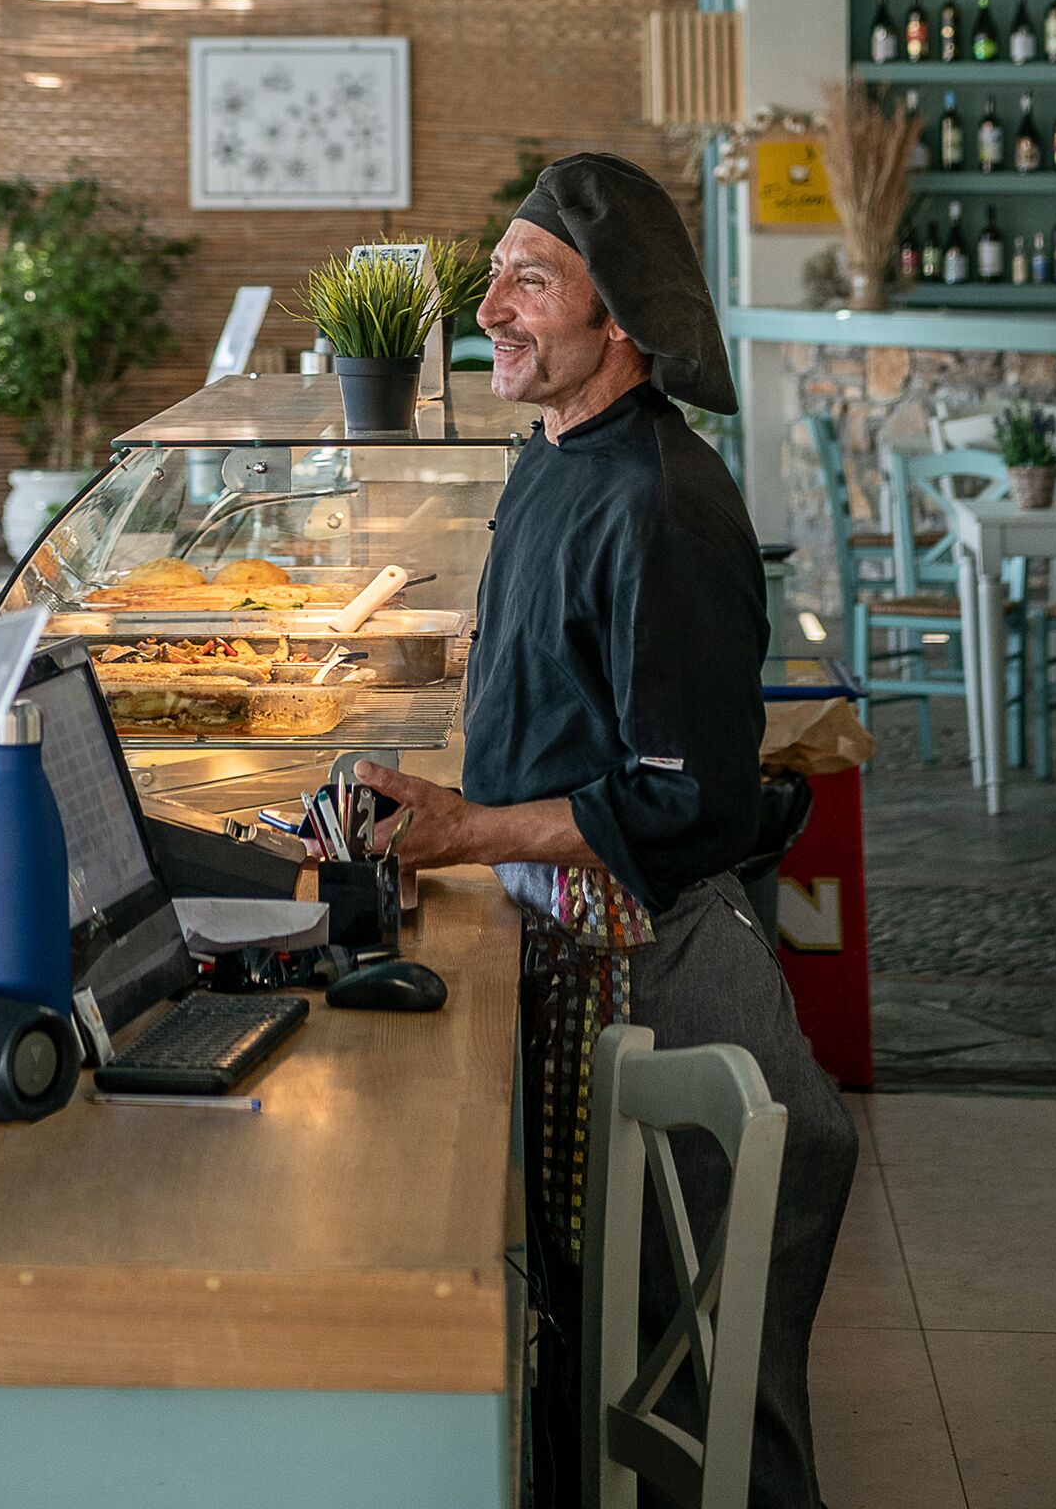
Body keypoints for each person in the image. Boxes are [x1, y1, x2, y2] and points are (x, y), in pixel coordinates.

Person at [357, 153, 856, 1509]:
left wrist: (466, 833)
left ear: (619, 318)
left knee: (700, 1391)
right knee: (583, 1320)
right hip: (560, 939)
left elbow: (680, 798)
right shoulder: (553, 453)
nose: (494, 311)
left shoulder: (667, 506)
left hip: (656, 967)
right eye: (495, 280)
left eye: (531, 282)